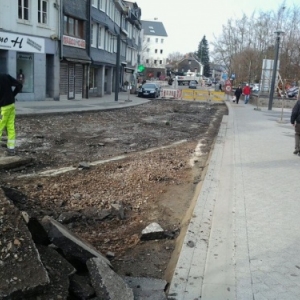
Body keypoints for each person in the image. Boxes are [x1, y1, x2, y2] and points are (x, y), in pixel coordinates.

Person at [0, 73, 23, 156]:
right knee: (10, 127)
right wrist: (12, 95)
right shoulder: (5, 76)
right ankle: (11, 148)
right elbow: (19, 85)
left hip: (3, 108)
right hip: (11, 105)